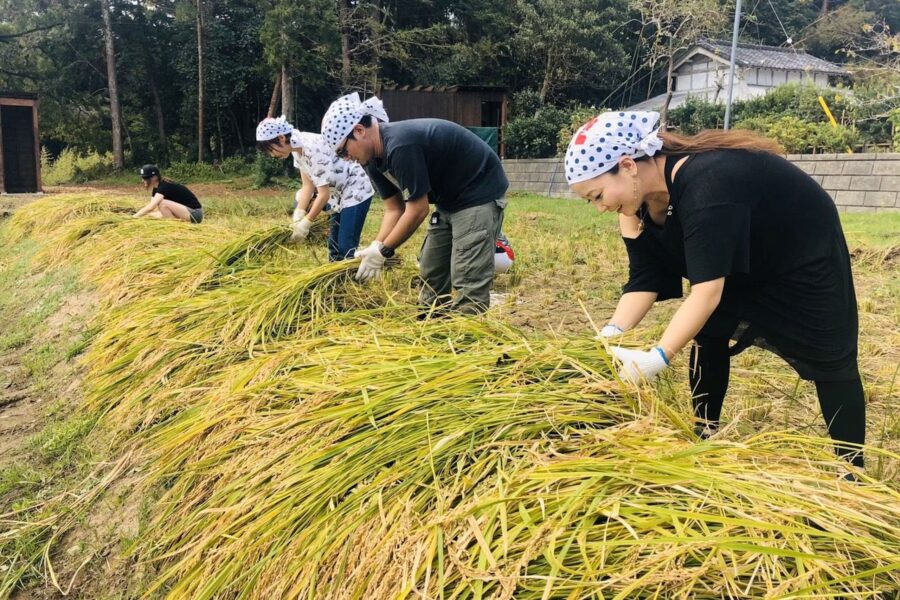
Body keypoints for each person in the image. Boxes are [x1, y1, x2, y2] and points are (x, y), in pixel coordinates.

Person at [566, 110, 865, 469]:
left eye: (597, 195)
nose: (600, 207)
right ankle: (704, 432)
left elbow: (706, 293)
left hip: (800, 257)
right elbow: (645, 278)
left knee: (831, 359)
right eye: (591, 201)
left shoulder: (708, 184)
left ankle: (851, 467)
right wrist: (610, 335)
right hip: (742, 250)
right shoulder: (634, 205)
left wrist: (657, 357)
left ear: (628, 165)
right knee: (709, 333)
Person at [320, 93, 508, 315]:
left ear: (359, 131)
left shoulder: (400, 145)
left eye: (343, 150)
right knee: (431, 269)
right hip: (448, 200)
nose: (345, 158)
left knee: (466, 273)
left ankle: (466, 335)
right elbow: (394, 208)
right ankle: (431, 322)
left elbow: (418, 209)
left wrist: (384, 250)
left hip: (477, 193)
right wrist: (376, 245)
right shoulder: (371, 160)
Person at [256, 116, 373, 261]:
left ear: (280, 138)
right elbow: (307, 186)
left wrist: (307, 221)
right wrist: (299, 213)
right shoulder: (296, 150)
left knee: (345, 247)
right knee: (334, 247)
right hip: (338, 194)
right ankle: (334, 280)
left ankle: (353, 279)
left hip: (356, 190)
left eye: (271, 150)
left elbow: (323, 195)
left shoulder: (312, 148)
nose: (272, 155)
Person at [135, 164, 203, 223]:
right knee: (150, 215)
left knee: (162, 203)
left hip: (195, 213)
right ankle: (174, 224)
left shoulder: (164, 186)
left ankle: (175, 227)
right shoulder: (156, 188)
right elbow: (153, 207)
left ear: (154, 177)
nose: (143, 180)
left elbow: (151, 207)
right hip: (184, 211)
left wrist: (134, 217)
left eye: (145, 178)